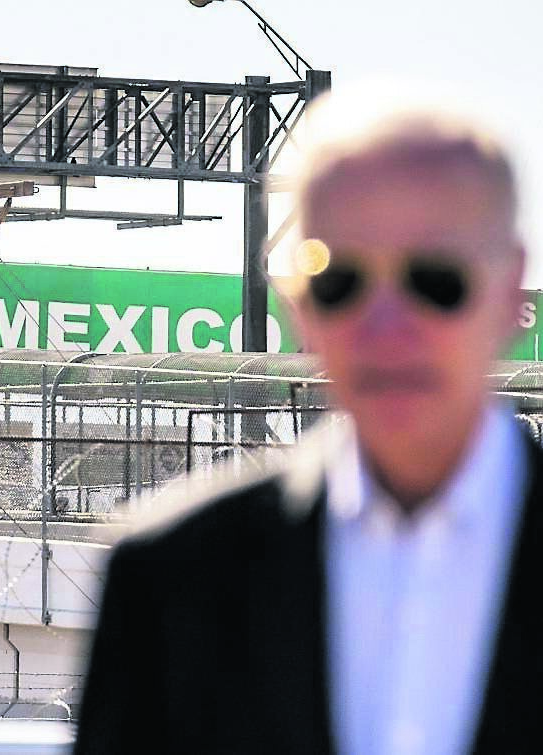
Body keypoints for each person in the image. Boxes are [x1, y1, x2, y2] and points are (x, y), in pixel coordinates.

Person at [74, 94, 542, 754]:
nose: (386, 326)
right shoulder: (170, 578)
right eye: (338, 278)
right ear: (298, 302)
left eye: (435, 277)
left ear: (510, 288)